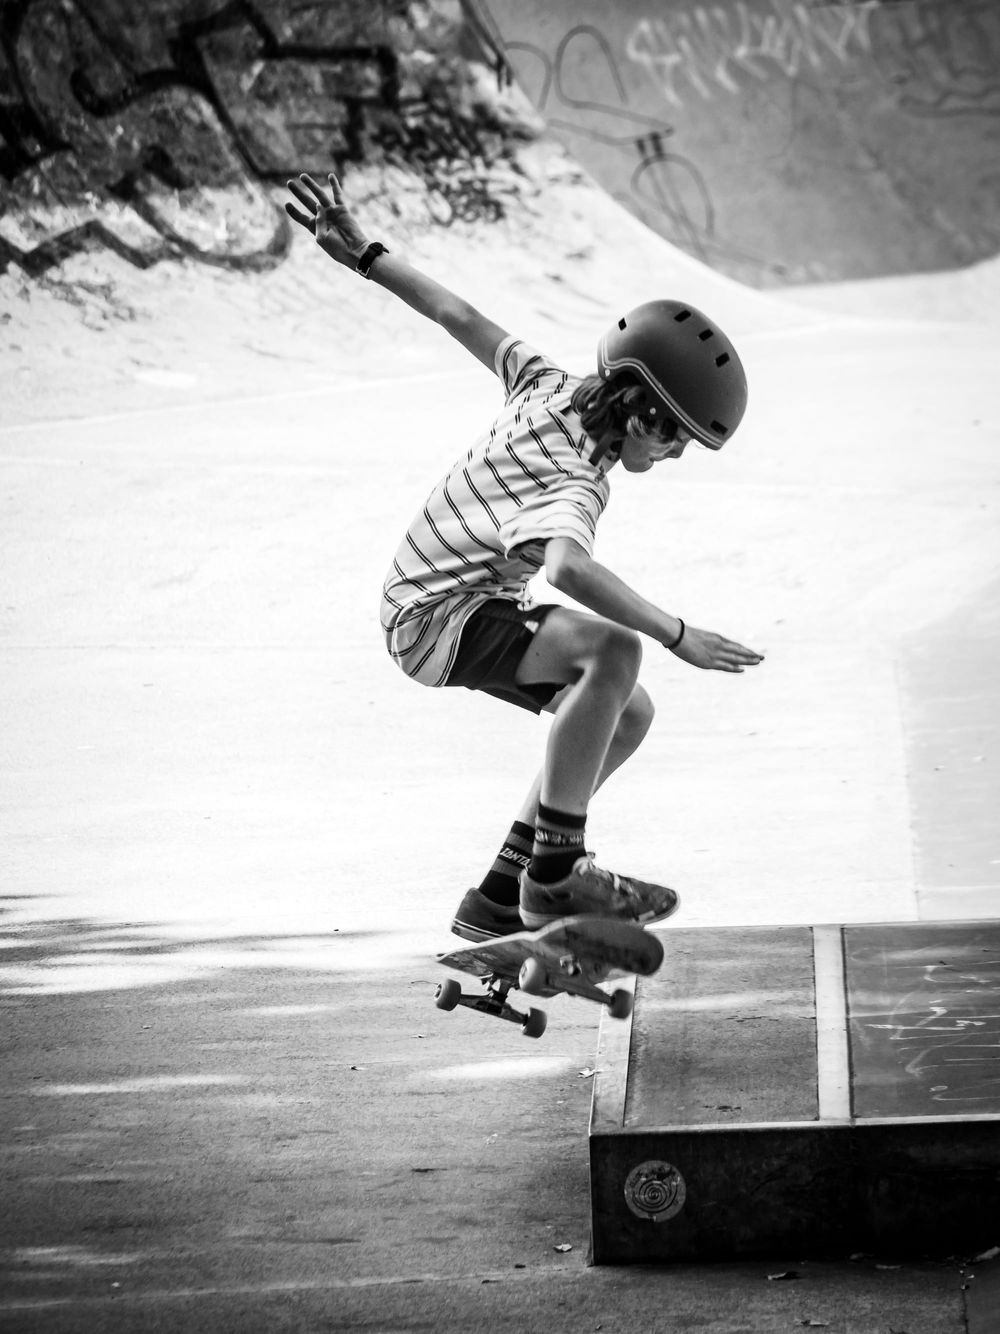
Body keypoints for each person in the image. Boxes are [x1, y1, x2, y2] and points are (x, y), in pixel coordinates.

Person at [285, 171, 765, 943]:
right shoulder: (576, 480)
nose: (675, 455)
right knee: (618, 651)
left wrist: (366, 254)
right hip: (439, 617)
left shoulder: (544, 383)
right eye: (676, 436)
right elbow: (569, 569)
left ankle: (499, 892)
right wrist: (682, 636)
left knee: (626, 714)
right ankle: (555, 875)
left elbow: (458, 315)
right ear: (641, 411)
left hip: (440, 598)